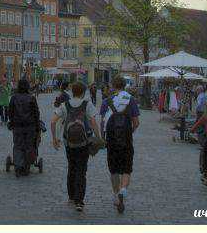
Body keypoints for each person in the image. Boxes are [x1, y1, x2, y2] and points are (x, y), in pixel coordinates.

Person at [50, 81, 101, 212]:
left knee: (71, 167)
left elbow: (53, 121)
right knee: (81, 170)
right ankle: (80, 201)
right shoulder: (87, 104)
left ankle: (71, 196)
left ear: (72, 92)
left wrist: (54, 138)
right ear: (83, 92)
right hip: (84, 142)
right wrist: (98, 137)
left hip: (69, 142)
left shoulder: (65, 105)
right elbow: (93, 121)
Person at [103, 76, 140, 214]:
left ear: (113, 85)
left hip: (111, 140)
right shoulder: (131, 100)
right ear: (125, 86)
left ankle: (115, 194)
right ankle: (123, 189)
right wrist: (129, 132)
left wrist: (103, 137)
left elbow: (103, 121)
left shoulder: (107, 100)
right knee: (126, 168)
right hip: (126, 139)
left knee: (113, 169)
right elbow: (136, 123)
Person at [8, 78, 41, 177]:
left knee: (18, 145)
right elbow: (36, 113)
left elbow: (10, 112)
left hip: (17, 126)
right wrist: (38, 126)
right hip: (30, 126)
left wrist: (12, 122)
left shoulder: (14, 98)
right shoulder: (31, 98)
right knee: (29, 146)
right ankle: (27, 166)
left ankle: (18, 166)